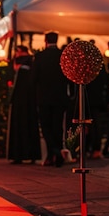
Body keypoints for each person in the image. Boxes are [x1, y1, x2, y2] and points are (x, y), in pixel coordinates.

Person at [34, 31, 71, 167]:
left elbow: (34, 78)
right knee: (57, 126)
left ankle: (54, 152)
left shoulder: (39, 57)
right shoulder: (63, 55)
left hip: (44, 97)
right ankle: (56, 154)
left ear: (45, 40)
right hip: (60, 97)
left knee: (46, 126)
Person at [6, 45, 41, 164]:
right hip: (26, 101)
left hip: (23, 100)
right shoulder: (30, 63)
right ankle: (29, 155)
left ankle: (20, 154)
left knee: (21, 125)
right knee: (26, 125)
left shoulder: (26, 64)